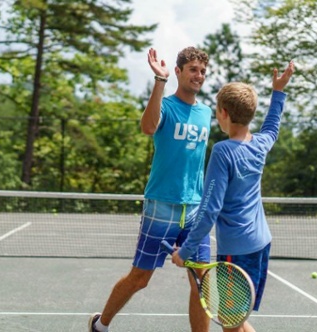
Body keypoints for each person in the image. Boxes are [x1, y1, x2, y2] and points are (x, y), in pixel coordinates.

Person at [89, 47, 213, 332]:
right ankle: (100, 325)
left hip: (195, 209)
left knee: (201, 280)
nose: (199, 75)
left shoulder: (206, 112)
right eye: (193, 69)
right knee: (140, 277)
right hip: (161, 206)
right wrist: (160, 80)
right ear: (179, 72)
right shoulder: (167, 106)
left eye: (203, 71)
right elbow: (147, 127)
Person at [171, 60, 295, 332]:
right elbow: (272, 127)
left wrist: (186, 251)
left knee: (230, 323)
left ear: (224, 113)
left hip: (236, 251)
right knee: (234, 321)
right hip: (261, 244)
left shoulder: (223, 151)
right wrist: (278, 92)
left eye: (217, 111)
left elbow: (209, 209)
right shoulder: (260, 144)